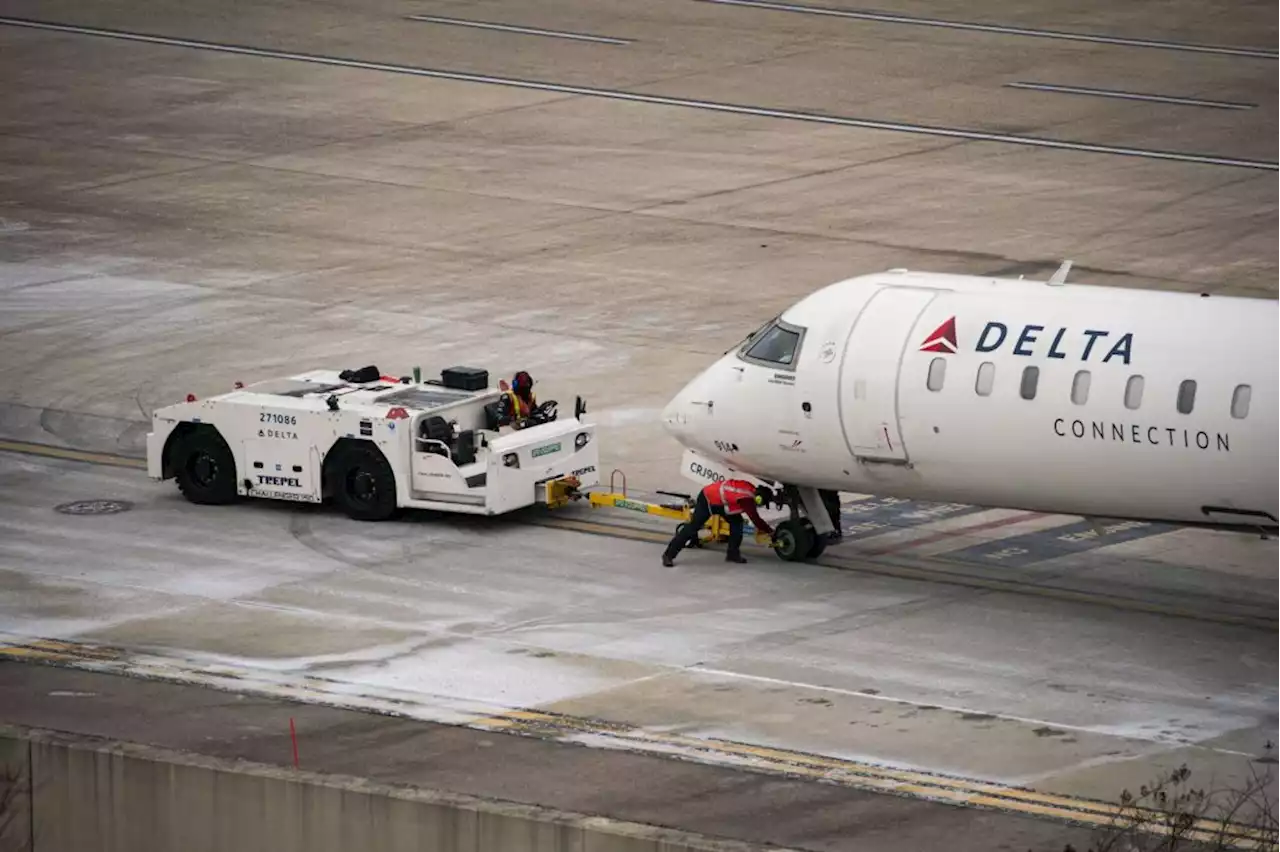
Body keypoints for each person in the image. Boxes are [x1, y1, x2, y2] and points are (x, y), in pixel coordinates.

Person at [662, 479, 774, 567]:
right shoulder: (747, 499)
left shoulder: (750, 489)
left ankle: (732, 554)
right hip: (707, 499)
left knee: (737, 524)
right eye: (762, 503)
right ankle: (668, 555)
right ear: (758, 498)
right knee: (692, 527)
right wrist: (770, 531)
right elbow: (756, 519)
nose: (760, 506)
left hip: (722, 503)